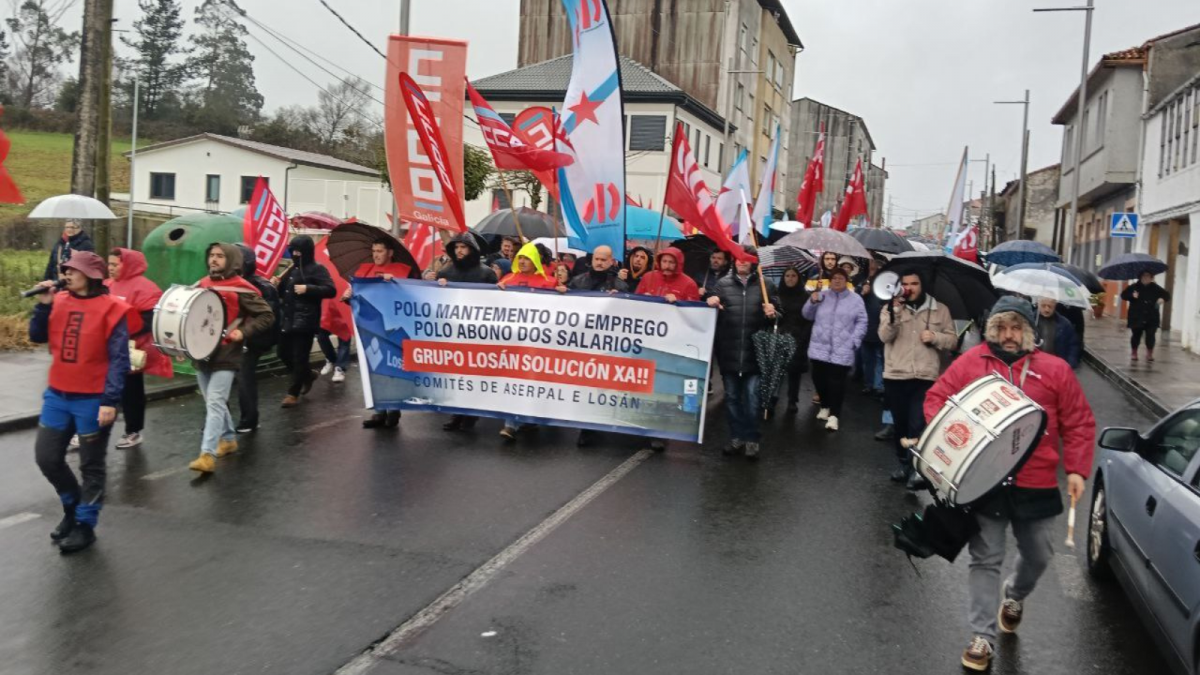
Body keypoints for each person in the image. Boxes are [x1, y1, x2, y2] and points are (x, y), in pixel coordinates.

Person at [925, 296, 1095, 672]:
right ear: (991, 330)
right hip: (985, 481)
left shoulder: (1055, 370)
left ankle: (1015, 594)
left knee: (1039, 554)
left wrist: (1077, 470)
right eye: (1001, 327)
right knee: (985, 557)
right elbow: (936, 400)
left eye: (1016, 327)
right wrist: (955, 438)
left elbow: (1079, 421)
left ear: (1029, 331)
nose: (1008, 335)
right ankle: (981, 636)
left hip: (1036, 480)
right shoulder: (972, 363)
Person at [29, 252, 129, 554]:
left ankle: (85, 525)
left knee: (91, 464)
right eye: (66, 270)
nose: (67, 274)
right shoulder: (57, 300)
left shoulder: (113, 308)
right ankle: (72, 507)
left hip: (93, 399)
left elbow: (119, 359)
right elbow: (36, 336)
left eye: (74, 270)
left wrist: (110, 400)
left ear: (92, 275)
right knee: (47, 457)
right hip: (58, 395)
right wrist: (43, 305)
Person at [188, 244, 274, 473]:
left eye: (220, 256)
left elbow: (266, 315)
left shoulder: (241, 288)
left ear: (232, 260)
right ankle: (228, 439)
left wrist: (243, 332)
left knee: (215, 401)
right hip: (201, 351)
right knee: (212, 400)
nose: (214, 260)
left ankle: (207, 455)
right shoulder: (201, 284)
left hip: (228, 352)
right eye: (211, 255)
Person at [878, 271, 957, 487]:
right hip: (896, 374)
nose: (909, 288)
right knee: (901, 424)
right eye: (905, 284)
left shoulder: (940, 309)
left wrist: (935, 337)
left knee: (917, 424)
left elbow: (952, 341)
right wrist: (895, 312)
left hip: (925, 376)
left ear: (922, 286)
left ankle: (915, 468)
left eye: (914, 283)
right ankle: (903, 462)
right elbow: (884, 336)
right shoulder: (890, 307)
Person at [706, 247, 779, 458]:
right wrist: (710, 302)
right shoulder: (722, 285)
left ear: (754, 262)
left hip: (755, 354)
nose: (742, 262)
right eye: (738, 258)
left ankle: (752, 438)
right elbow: (710, 311)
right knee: (731, 399)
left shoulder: (767, 285)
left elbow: (779, 315)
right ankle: (736, 437)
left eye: (746, 259)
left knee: (752, 398)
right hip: (729, 353)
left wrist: (773, 313)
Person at [105, 248, 172, 449]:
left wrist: (121, 330)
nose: (110, 268)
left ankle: (133, 431)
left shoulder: (145, 288)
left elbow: (150, 319)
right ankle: (88, 429)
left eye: (115, 264)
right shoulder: (107, 285)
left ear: (127, 264)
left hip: (132, 348)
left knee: (131, 391)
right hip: (108, 347)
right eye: (109, 264)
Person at [342, 240, 414, 428]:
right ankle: (379, 411)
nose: (376, 254)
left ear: (390, 253)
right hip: (370, 327)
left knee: (391, 370)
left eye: (380, 251)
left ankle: (394, 409)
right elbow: (360, 299)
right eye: (374, 251)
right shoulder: (364, 271)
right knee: (373, 369)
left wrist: (397, 283)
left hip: (393, 327)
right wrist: (349, 297)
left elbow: (411, 296)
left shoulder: (402, 271)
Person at [437, 232, 499, 432]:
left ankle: (471, 413)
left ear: (472, 249)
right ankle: (457, 413)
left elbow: (496, 303)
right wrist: (436, 285)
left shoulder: (486, 274)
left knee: (473, 375)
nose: (459, 251)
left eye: (463, 247)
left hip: (477, 332)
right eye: (456, 247)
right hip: (453, 332)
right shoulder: (446, 272)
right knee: (455, 375)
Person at [802, 267, 867, 431]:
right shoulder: (822, 295)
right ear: (830, 281)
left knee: (837, 383)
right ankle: (825, 405)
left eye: (841, 278)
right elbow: (806, 315)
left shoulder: (855, 299)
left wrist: (854, 341)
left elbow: (862, 321)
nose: (837, 281)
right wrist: (812, 302)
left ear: (846, 280)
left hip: (843, 347)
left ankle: (834, 415)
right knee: (819, 379)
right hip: (820, 345)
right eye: (834, 278)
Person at [275, 235, 336, 408]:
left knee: (300, 357)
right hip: (288, 319)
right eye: (293, 251)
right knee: (282, 353)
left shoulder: (317, 269)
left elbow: (330, 289)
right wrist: (276, 285)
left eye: (298, 251)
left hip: (305, 321)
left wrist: (308, 288)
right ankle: (307, 375)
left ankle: (292, 393)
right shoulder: (291, 270)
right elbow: (284, 293)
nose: (295, 254)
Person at [233, 243, 280, 434]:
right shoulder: (228, 283)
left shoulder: (262, 287)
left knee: (244, 376)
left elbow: (267, 317)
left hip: (250, 341)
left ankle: (249, 420)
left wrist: (246, 333)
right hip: (233, 339)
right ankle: (217, 423)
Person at [775, 266, 811, 414]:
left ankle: (792, 400)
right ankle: (772, 398)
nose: (790, 279)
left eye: (793, 276)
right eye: (787, 276)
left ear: (798, 278)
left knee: (794, 371)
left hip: (798, 337)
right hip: (779, 336)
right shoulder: (776, 295)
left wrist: (803, 338)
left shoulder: (805, 296)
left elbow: (809, 319)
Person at [1120, 271, 1170, 362]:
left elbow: (1167, 295)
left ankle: (1149, 353)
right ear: (1140, 277)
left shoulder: (1155, 287)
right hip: (1136, 316)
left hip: (1151, 316)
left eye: (1148, 276)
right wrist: (1132, 295)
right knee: (1136, 335)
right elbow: (1123, 295)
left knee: (1151, 335)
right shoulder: (1134, 287)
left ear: (1151, 278)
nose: (1146, 278)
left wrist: (1162, 299)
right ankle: (1134, 352)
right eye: (1144, 276)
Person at [636, 247, 700, 303]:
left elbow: (693, 309)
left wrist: (677, 302)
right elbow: (635, 300)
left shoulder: (689, 284)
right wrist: (643, 298)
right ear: (659, 261)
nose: (667, 266)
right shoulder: (648, 277)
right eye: (664, 261)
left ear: (678, 264)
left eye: (671, 262)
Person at [1034, 298, 1081, 369]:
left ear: (1055, 305)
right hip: (1035, 364)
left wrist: (1070, 365)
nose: (1047, 309)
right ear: (1038, 304)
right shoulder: (1030, 320)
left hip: (1056, 366)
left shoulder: (1064, 324)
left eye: (1050, 306)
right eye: (1043, 306)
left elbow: (1073, 345)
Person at [561, 245, 628, 293]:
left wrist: (618, 296)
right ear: (592, 260)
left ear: (611, 261)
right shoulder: (577, 281)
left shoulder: (619, 285)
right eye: (596, 259)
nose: (599, 263)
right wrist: (562, 291)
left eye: (603, 260)